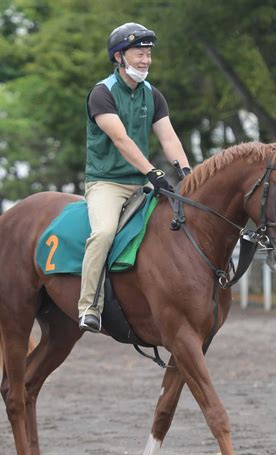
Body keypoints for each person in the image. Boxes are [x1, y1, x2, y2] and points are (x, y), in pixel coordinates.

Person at [78, 22, 191, 333]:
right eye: (139, 54)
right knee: (103, 233)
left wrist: (186, 172)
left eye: (148, 55)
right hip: (108, 183)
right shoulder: (102, 93)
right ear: (118, 57)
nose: (145, 60)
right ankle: (89, 306)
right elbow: (121, 140)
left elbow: (169, 139)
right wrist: (153, 171)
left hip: (142, 183)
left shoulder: (153, 95)